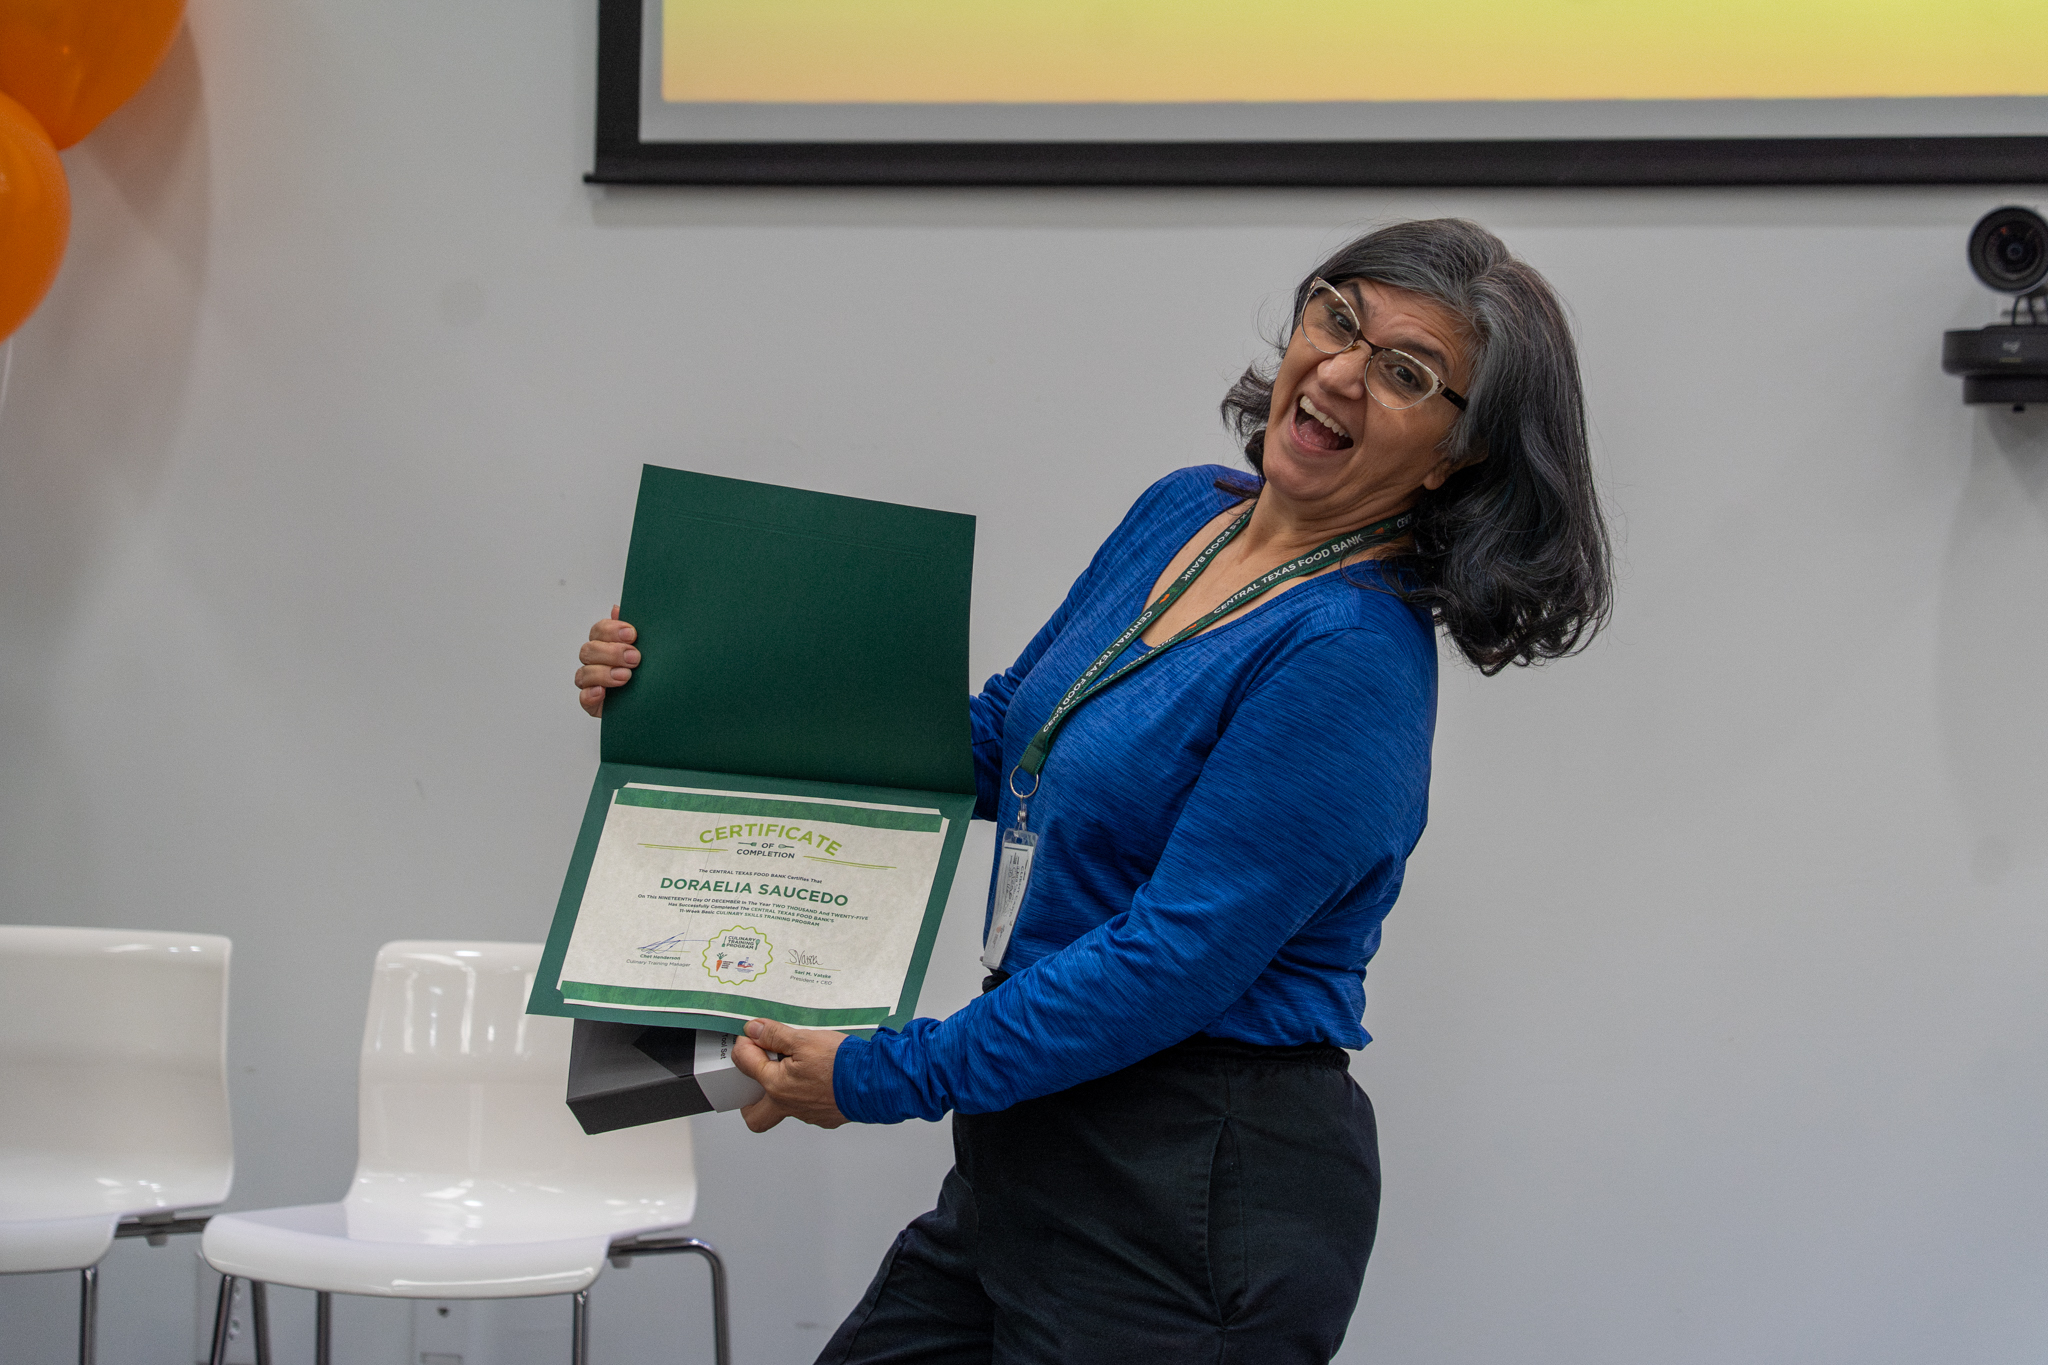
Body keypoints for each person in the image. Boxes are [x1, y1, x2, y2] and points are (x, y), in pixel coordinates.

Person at [572, 218, 1611, 1363]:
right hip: (1028, 1150)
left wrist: (881, 1072)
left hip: (1187, 1203)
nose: (1339, 373)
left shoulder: (1346, 654)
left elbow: (1167, 961)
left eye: (1406, 375)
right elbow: (995, 745)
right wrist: (693, 693)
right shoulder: (1184, 511)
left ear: (1455, 456)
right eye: (1336, 317)